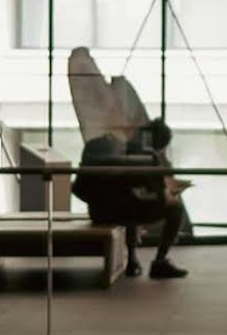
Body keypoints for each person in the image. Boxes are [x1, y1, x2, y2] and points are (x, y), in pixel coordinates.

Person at [77, 112, 191, 283]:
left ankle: (133, 258)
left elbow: (79, 187)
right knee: (174, 208)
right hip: (124, 212)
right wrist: (168, 192)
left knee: (130, 199)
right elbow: (157, 192)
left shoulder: (96, 145)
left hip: (99, 212)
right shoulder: (145, 157)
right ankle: (159, 261)